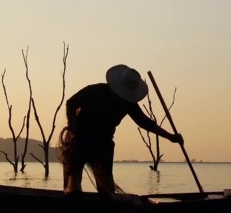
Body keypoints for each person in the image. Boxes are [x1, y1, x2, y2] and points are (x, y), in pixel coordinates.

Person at [59, 64, 183, 198]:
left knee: (106, 189)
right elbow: (71, 103)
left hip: (103, 143)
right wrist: (72, 125)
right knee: (73, 183)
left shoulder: (127, 102)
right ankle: (72, 204)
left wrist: (170, 137)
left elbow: (145, 123)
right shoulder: (96, 90)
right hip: (80, 139)